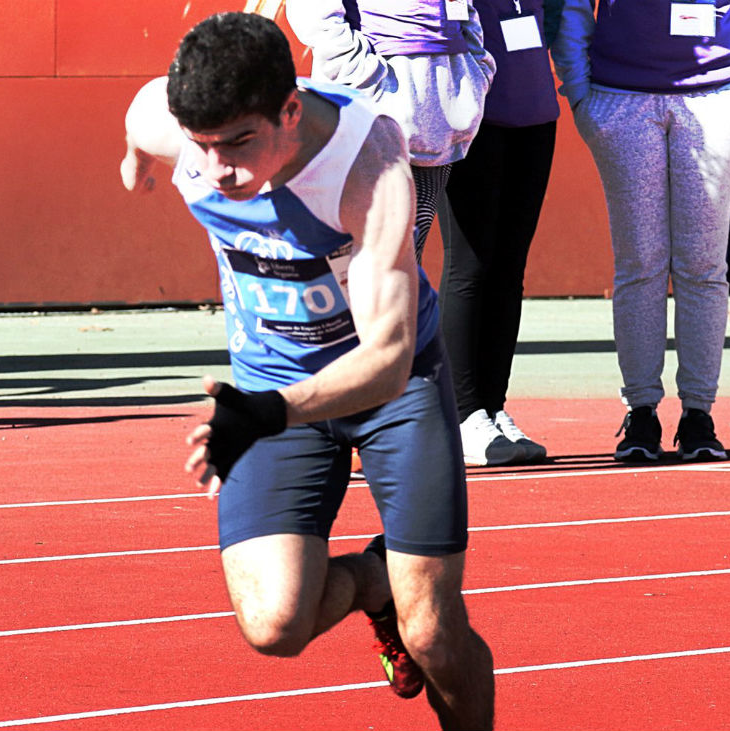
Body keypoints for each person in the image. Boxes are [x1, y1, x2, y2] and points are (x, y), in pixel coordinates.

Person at [119, 12, 494, 729]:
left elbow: (386, 359)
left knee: (434, 634)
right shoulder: (176, 124)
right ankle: (373, 582)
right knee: (273, 624)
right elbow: (141, 119)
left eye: (238, 144)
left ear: (291, 110)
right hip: (273, 383)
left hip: (393, 391)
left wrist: (269, 411)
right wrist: (137, 162)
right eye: (200, 148)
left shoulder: (372, 166)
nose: (219, 170)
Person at [551, 0, 730, 462]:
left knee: (703, 265)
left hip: (719, 100)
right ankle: (641, 410)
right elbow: (574, 9)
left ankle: (698, 413)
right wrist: (580, 93)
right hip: (620, 100)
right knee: (640, 263)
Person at [436, 0, 560, 467]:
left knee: (510, 270)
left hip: (536, 113)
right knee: (470, 266)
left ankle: (492, 406)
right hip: (472, 116)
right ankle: (461, 414)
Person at [286, 0, 495, 263]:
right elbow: (315, 15)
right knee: (363, 260)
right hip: (367, 121)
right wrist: (366, 80)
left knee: (408, 258)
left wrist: (475, 71)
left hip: (442, 115)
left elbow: (464, 10)